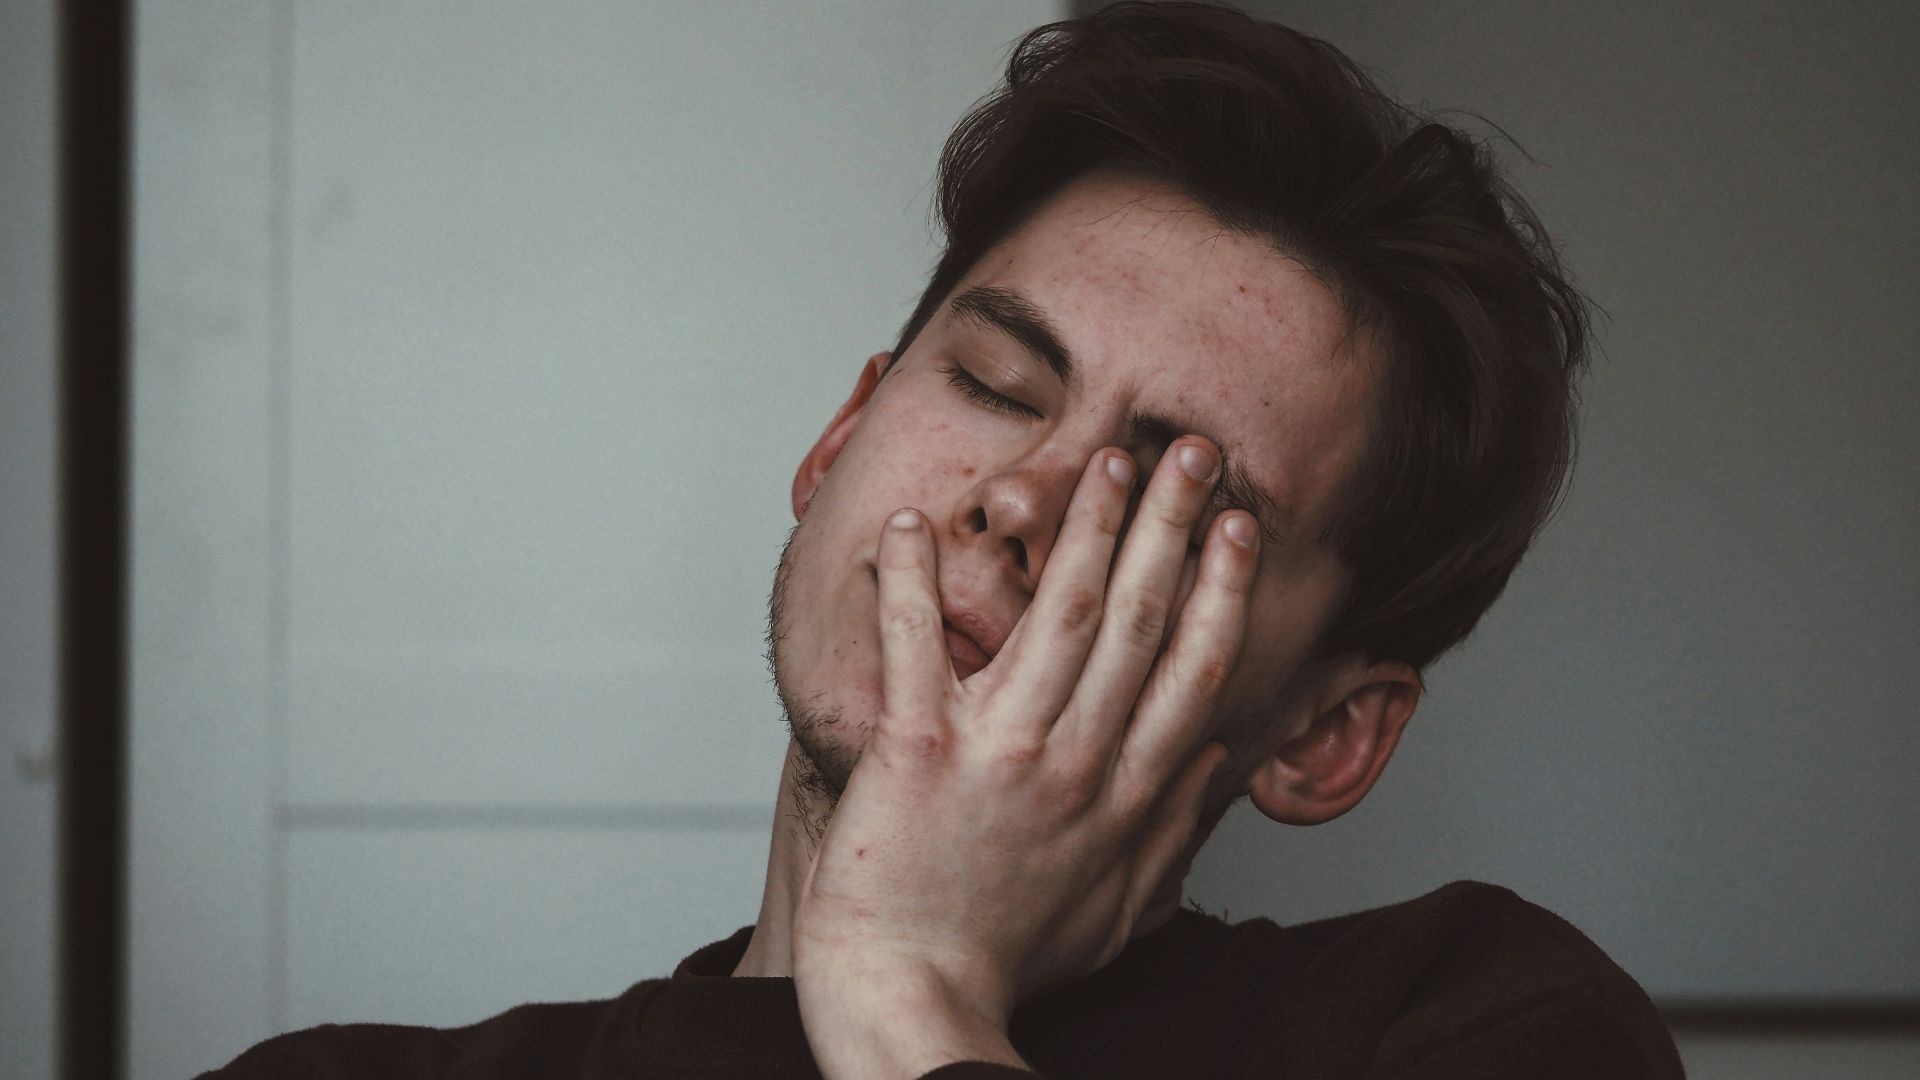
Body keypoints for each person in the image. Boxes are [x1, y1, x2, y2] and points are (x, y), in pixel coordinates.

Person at [207, 3, 1684, 1077]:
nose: (1019, 500)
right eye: (991, 385)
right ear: (840, 439)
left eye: (1174, 502)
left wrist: (912, 991)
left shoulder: (1477, 1025)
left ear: (1327, 733)